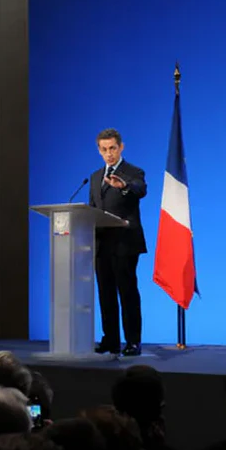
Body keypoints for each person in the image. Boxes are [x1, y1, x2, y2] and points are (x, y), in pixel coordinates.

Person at [88, 128, 147, 357]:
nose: (109, 153)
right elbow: (92, 209)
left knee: (127, 293)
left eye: (112, 148)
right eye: (104, 149)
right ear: (99, 150)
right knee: (105, 294)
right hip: (102, 244)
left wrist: (124, 187)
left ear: (120, 147)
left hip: (125, 243)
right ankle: (110, 339)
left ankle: (133, 341)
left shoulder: (133, 172)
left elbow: (140, 190)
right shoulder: (94, 177)